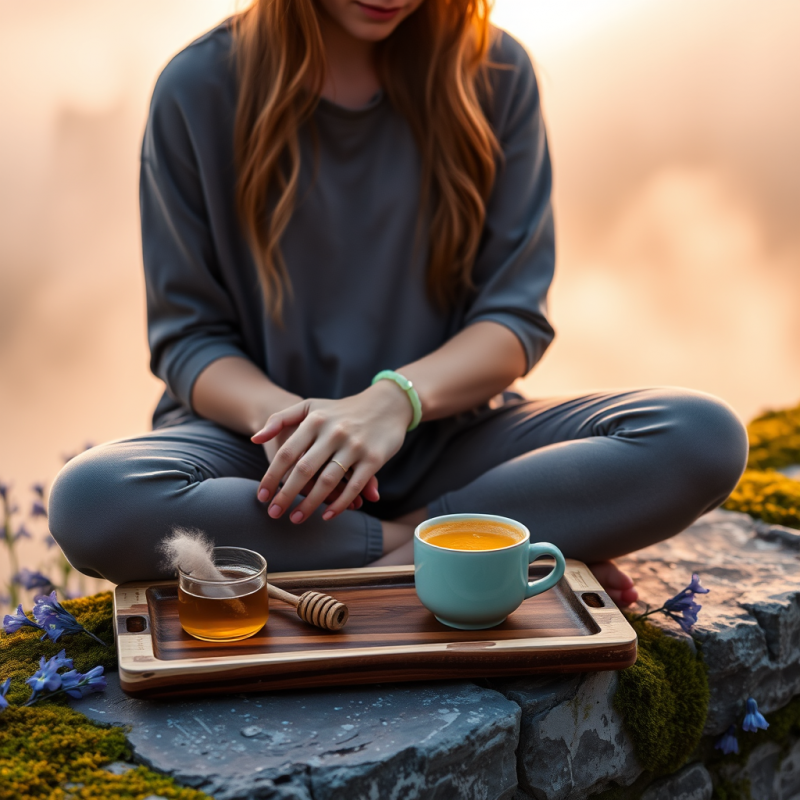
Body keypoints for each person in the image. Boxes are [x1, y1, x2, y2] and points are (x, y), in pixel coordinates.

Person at [49, 0, 748, 608]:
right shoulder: (197, 87)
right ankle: (469, 543)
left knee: (701, 435)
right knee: (93, 501)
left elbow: (513, 321)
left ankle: (429, 541)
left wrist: (393, 403)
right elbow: (188, 338)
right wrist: (304, 440)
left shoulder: (497, 74)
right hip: (260, 459)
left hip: (451, 438)